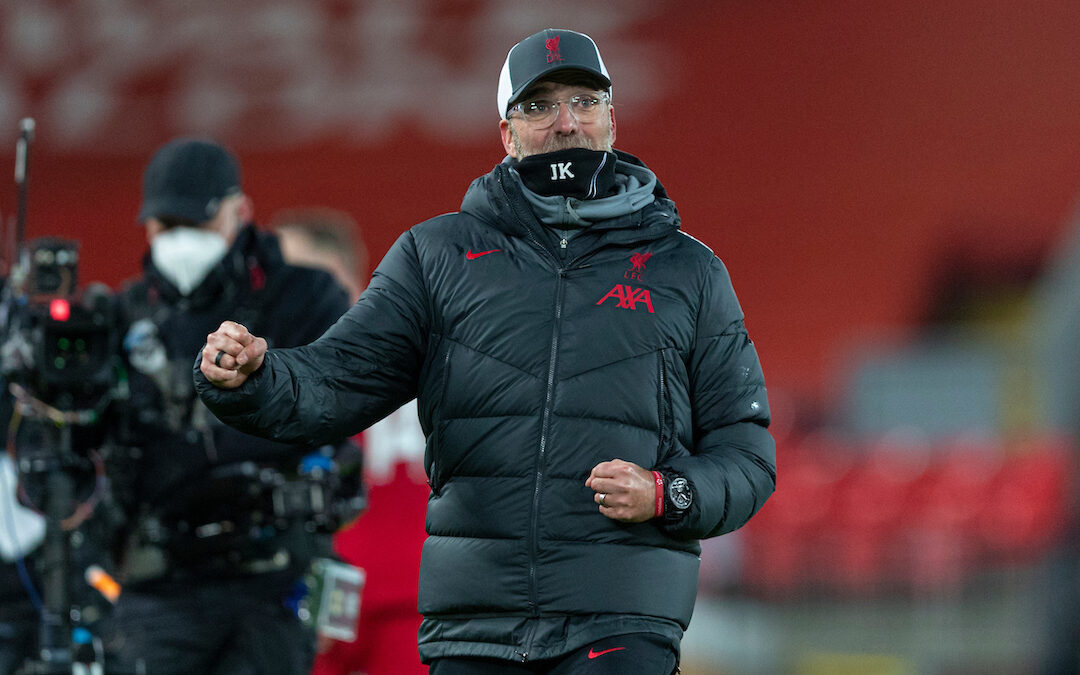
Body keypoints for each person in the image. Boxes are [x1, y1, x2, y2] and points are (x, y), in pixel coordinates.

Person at [195, 28, 776, 673]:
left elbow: (746, 456)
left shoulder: (688, 272)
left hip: (618, 619)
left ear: (612, 119)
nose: (565, 123)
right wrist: (255, 376)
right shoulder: (434, 256)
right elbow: (336, 380)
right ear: (505, 133)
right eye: (538, 106)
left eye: (584, 100)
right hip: (475, 625)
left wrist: (669, 493)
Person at [103, 138, 356, 674]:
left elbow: (335, 410)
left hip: (273, 576)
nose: (180, 241)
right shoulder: (125, 316)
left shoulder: (305, 297)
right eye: (166, 226)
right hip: (160, 582)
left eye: (195, 222)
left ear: (240, 211)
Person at [270, 207, 430, 675]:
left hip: (403, 605)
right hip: (322, 603)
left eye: (288, 270)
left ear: (336, 274)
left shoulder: (415, 361)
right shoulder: (283, 370)